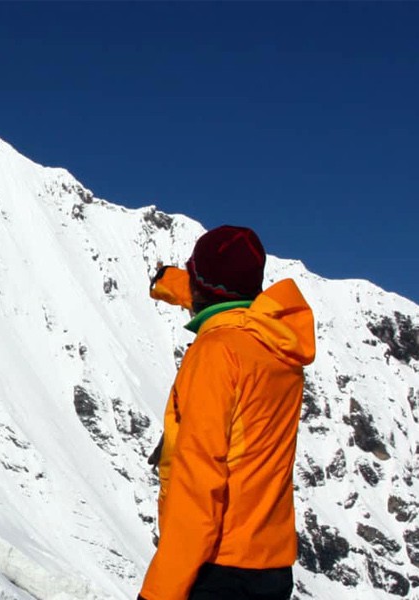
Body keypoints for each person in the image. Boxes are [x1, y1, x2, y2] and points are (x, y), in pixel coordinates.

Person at [138, 225, 316, 600]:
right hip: (271, 568)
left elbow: (198, 482)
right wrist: (170, 282)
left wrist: (160, 592)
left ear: (202, 284)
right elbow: (230, 299)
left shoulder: (217, 353)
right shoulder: (279, 345)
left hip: (217, 568)